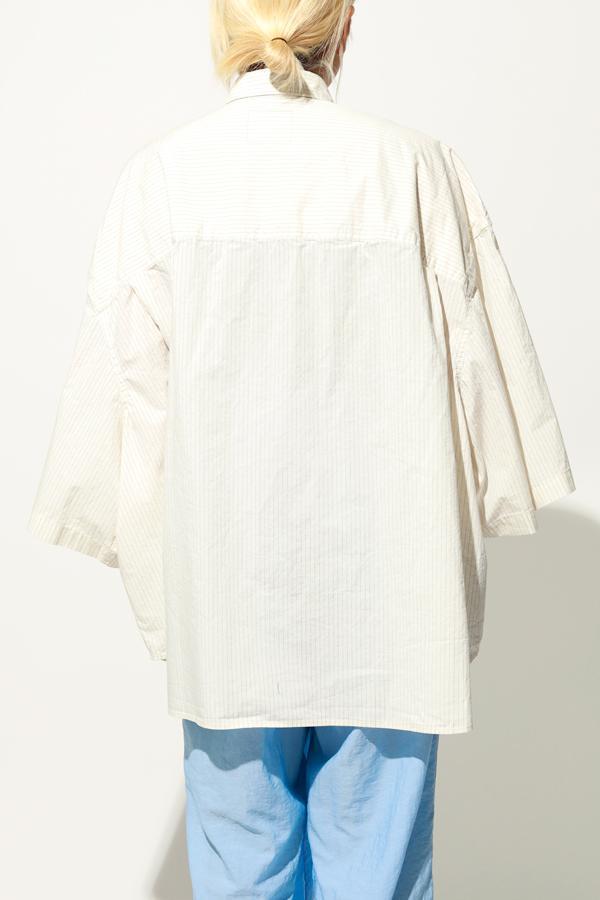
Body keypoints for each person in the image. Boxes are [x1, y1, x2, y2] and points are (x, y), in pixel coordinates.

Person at [27, 1, 576, 897]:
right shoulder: (416, 169)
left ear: (222, 29)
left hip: (229, 611)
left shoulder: (164, 178)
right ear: (343, 29)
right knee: (377, 880)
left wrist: (165, 599)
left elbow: (128, 416)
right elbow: (489, 399)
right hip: (391, 609)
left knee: (241, 876)